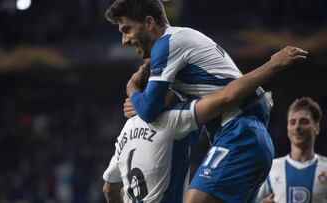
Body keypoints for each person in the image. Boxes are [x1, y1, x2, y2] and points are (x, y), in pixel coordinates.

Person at [105, 0, 307, 202]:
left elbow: (150, 110)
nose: (124, 40)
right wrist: (142, 102)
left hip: (240, 132)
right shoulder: (182, 55)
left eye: (127, 30)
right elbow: (172, 118)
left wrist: (133, 91)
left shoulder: (167, 44)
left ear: (149, 22)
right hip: (244, 134)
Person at [256, 97, 327, 203]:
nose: (297, 127)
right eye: (293, 122)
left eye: (304, 122)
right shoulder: (271, 168)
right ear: (288, 128)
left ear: (316, 127)